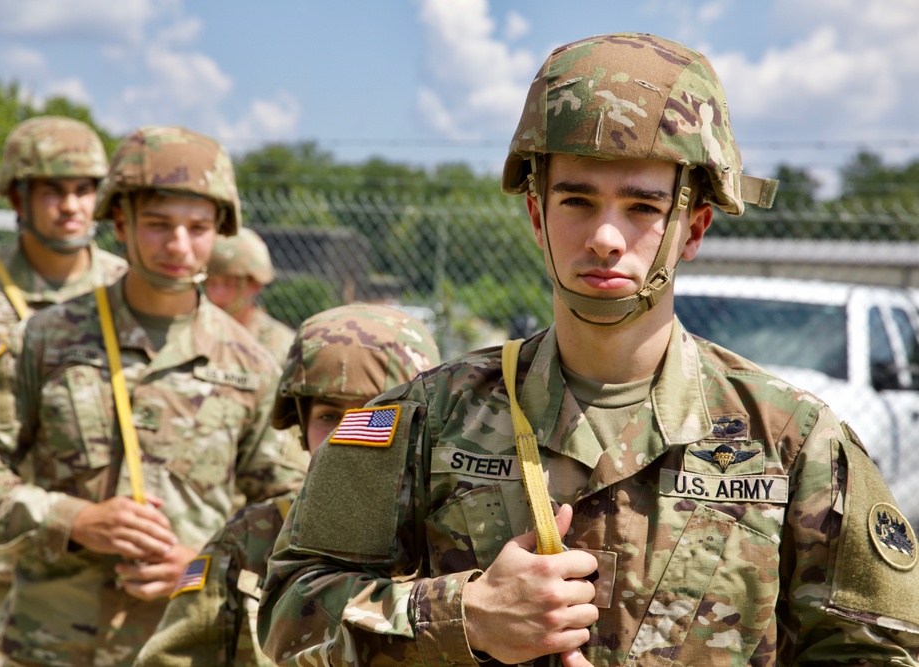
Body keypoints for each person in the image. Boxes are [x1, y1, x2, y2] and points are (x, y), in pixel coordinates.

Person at [259, 32, 919, 666]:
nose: (605, 236)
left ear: (693, 227)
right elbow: (286, 617)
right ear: (538, 215)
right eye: (578, 199)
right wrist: (464, 616)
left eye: (640, 207)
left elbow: (878, 651)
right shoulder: (426, 420)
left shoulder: (792, 442)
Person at [0, 125, 308, 667]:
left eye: (198, 227)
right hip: (52, 646)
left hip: (183, 645)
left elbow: (294, 515)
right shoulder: (44, 340)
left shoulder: (249, 364)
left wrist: (203, 567)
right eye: (159, 225)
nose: (179, 245)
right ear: (120, 222)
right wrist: (70, 519)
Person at [0, 115, 126, 667]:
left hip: (93, 548)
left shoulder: (125, 291)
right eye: (53, 190)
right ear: (17, 196)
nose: (72, 205)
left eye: (85, 190)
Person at [133, 303, 440, 667]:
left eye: (374, 417)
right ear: (301, 427)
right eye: (328, 416)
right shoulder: (254, 539)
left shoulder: (448, 544)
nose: (346, 437)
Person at [203, 228, 294, 365]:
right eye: (211, 283)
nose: (218, 293)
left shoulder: (281, 347)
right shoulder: (192, 334)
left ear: (255, 284)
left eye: (229, 285)